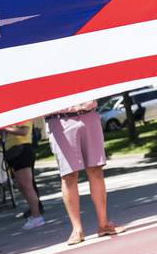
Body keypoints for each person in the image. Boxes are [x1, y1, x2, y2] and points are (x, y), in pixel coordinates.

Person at [46, 100, 125, 245]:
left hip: (89, 114)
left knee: (96, 170)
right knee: (69, 175)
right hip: (60, 120)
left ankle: (103, 224)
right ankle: (77, 229)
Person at [2, 121, 45, 230]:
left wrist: (5, 128)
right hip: (14, 151)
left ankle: (37, 216)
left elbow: (24, 131)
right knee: (22, 186)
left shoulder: (22, 115)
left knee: (27, 186)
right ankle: (34, 214)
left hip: (22, 150)